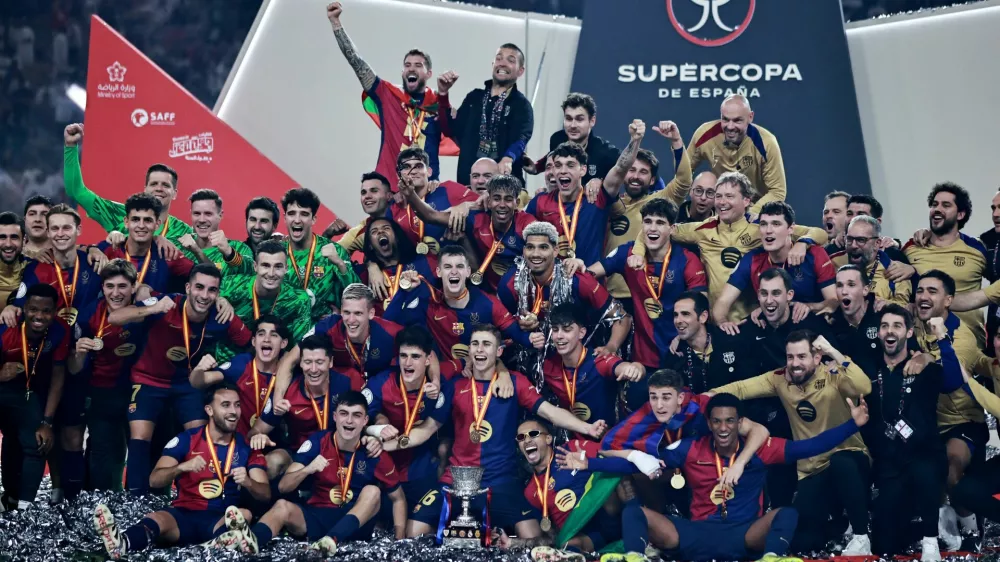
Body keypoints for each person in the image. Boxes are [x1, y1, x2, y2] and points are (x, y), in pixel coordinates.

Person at [560, 393, 870, 562]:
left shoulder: (760, 449)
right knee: (634, 512)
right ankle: (633, 557)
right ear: (709, 423)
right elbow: (640, 466)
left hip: (744, 535)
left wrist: (852, 425)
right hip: (693, 536)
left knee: (786, 514)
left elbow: (810, 446)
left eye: (730, 422)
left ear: (739, 423)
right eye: (717, 421)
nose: (723, 428)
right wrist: (587, 463)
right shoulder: (689, 448)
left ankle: (772, 559)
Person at [406, 324, 608, 540]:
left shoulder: (514, 382)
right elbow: (427, 429)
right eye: (475, 344)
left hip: (500, 481)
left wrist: (587, 427)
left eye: (486, 344)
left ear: (499, 351)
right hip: (457, 480)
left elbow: (550, 413)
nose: (480, 350)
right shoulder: (455, 386)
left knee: (531, 536)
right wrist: (387, 442)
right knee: (414, 531)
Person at [710, 332, 873, 555]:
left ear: (817, 358)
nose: (795, 364)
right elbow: (741, 389)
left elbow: (864, 387)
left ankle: (861, 535)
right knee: (802, 541)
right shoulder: (779, 379)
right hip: (812, 470)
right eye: (790, 357)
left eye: (802, 357)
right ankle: (840, 527)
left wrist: (834, 352)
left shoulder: (834, 373)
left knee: (841, 461)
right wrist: (700, 398)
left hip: (850, 458)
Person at [109, 264, 251, 495]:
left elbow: (249, 343)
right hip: (149, 379)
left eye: (212, 290)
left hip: (189, 384)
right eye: (199, 287)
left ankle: (194, 496)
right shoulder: (167, 303)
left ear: (218, 293)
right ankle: (135, 498)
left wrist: (229, 368)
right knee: (140, 436)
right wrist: (151, 310)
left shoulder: (221, 315)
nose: (204, 296)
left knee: (200, 436)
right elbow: (115, 317)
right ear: (188, 288)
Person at [92, 382, 269, 560]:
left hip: (220, 517)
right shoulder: (187, 439)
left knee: (243, 515)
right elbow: (154, 480)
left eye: (237, 405)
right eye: (225, 405)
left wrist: (248, 482)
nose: (233, 411)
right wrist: (181, 467)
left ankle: (215, 543)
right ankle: (122, 543)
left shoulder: (246, 447)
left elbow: (265, 494)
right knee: (157, 518)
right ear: (209, 410)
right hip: (183, 514)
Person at [631, 172, 827, 323]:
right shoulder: (702, 229)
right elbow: (654, 229)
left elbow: (819, 233)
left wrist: (803, 242)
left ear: (747, 201)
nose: (722, 202)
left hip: (753, 319)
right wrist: (638, 253)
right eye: (718, 196)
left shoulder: (762, 226)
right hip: (714, 318)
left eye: (729, 196)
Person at [234, 390, 405, 556]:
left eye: (357, 415)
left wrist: (399, 541)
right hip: (318, 517)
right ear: (335, 417)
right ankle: (251, 541)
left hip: (354, 526)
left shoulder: (373, 451)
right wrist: (308, 470)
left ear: (365, 420)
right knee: (282, 506)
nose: (349, 420)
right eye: (344, 413)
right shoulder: (318, 442)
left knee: (373, 491)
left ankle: (331, 540)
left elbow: (398, 499)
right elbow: (284, 486)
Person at [869, 306, 964, 560]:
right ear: (878, 333)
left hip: (925, 456)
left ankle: (931, 540)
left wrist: (934, 352)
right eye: (885, 326)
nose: (890, 331)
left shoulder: (924, 368)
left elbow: (954, 380)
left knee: (924, 470)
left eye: (897, 326)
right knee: (883, 543)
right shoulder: (871, 370)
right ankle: (933, 521)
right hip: (891, 465)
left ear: (909, 331)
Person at [327, 1, 454, 189]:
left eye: (418, 65)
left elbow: (460, 132)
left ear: (429, 74)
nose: (411, 68)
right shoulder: (388, 94)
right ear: (403, 72)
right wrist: (336, 23)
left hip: (427, 188)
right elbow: (357, 62)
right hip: (388, 188)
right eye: (407, 65)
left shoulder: (438, 104)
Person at [909, 270, 988, 548]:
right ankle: (941, 528)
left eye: (932, 291)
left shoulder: (962, 337)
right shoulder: (914, 321)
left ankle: (971, 534)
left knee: (951, 469)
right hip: (926, 422)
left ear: (948, 300)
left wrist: (929, 356)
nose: (923, 296)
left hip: (962, 421)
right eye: (920, 290)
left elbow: (950, 381)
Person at [585, 200, 707, 368]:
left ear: (672, 228)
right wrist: (611, 306)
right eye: (648, 221)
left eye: (660, 223)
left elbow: (701, 307)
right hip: (642, 360)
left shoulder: (687, 261)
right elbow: (586, 277)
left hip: (680, 353)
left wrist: (682, 336)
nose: (652, 228)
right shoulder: (627, 254)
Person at [69, 259, 147, 492]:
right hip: (101, 392)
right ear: (102, 287)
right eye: (109, 286)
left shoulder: (146, 309)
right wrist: (79, 353)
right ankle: (104, 507)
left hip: (140, 393)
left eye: (122, 286)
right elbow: (73, 368)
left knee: (141, 451)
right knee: (104, 453)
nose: (116, 293)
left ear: (134, 287)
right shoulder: (89, 315)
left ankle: (141, 505)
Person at [386, 245, 532, 365]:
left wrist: (534, 337)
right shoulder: (428, 303)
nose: (454, 272)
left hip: (480, 377)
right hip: (445, 379)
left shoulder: (488, 303)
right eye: (448, 267)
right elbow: (386, 324)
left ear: (468, 272)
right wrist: (403, 291)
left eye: (460, 266)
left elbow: (519, 335)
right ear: (438, 272)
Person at [362, 326, 448, 526]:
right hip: (384, 473)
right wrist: (378, 428)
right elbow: (356, 422)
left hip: (421, 472)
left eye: (415, 357)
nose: (408, 363)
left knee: (414, 533)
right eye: (403, 356)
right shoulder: (381, 383)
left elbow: (425, 432)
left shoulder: (441, 388)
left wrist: (382, 444)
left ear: (428, 360)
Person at [499, 222, 627, 355]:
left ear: (555, 251)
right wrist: (517, 326)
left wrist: (611, 347)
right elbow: (501, 322)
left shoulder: (577, 280)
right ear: (524, 250)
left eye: (543, 247)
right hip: (530, 357)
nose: (535, 254)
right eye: (530, 247)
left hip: (578, 358)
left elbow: (623, 317)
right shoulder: (510, 282)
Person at [190, 313, 291, 478]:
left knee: (273, 463)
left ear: (284, 343)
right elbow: (198, 382)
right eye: (261, 334)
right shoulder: (241, 365)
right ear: (253, 341)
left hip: (272, 442)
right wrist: (199, 370)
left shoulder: (288, 375)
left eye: (274, 335)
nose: (266, 339)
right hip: (238, 444)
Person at [526, 123, 641, 265]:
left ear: (583, 170)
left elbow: (621, 167)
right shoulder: (539, 202)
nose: (562, 171)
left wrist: (635, 140)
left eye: (570, 165)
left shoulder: (597, 198)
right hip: (552, 284)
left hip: (589, 282)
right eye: (558, 165)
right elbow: (525, 241)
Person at [603, 121, 693, 302]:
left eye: (643, 172)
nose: (635, 176)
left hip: (648, 294)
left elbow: (684, 181)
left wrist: (676, 140)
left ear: (652, 180)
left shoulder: (658, 201)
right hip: (611, 295)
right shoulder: (608, 201)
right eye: (631, 170)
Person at [401, 174, 536, 291]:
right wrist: (411, 195)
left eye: (508, 199)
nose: (502, 204)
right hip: (485, 288)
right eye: (496, 198)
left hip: (519, 290)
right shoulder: (476, 218)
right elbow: (432, 216)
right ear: (488, 202)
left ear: (517, 202)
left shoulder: (527, 224)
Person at [0, 284, 69, 509]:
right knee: (11, 440)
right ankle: (9, 496)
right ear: (24, 308)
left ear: (55, 311)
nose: (39, 316)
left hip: (28, 394)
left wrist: (46, 421)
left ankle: (23, 509)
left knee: (38, 443)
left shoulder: (60, 331)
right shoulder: (5, 329)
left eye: (46, 310)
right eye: (33, 309)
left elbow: (59, 377)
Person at [63, 123, 194, 242]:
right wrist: (70, 147)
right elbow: (77, 191)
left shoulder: (183, 232)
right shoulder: (119, 213)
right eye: (154, 184)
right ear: (145, 189)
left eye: (166, 185)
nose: (159, 188)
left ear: (175, 193)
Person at [713, 201, 837, 325]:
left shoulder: (815, 254)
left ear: (791, 229)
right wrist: (723, 322)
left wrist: (809, 307)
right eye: (763, 224)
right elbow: (723, 301)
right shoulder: (752, 259)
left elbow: (833, 301)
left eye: (776, 224)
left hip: (810, 326)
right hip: (773, 329)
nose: (768, 230)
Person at [274, 284, 402, 399]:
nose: (351, 320)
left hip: (378, 396)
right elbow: (290, 360)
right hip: (339, 397)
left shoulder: (391, 332)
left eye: (358, 313)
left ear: (371, 313)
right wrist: (278, 399)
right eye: (346, 312)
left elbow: (418, 353)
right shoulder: (327, 327)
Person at [901, 183, 986, 344]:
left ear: (960, 214)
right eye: (934, 204)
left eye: (946, 205)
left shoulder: (977, 249)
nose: (937, 209)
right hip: (923, 344)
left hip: (970, 343)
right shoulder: (912, 247)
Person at [540, 304, 645, 431]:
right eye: (555, 330)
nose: (559, 336)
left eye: (567, 330)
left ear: (581, 333)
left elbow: (623, 367)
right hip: (574, 440)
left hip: (608, 439)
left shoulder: (598, 360)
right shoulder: (548, 367)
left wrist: (636, 367)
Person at [443, 42, 533, 186]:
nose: (502, 63)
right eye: (499, 58)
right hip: (469, 183)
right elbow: (451, 131)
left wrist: (508, 158)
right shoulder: (474, 98)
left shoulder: (521, 105)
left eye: (510, 60)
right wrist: (443, 94)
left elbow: (521, 138)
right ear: (493, 64)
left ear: (520, 71)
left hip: (504, 189)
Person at [214, 240, 313, 362]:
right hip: (229, 363)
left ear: (286, 268)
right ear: (255, 267)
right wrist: (219, 299)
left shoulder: (298, 299)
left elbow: (297, 348)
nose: (271, 273)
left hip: (273, 367)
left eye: (278, 266)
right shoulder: (231, 286)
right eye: (265, 265)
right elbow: (201, 297)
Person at [253, 335, 354, 452]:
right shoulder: (287, 390)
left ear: (330, 362)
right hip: (296, 455)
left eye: (319, 362)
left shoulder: (346, 384)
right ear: (300, 363)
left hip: (335, 453)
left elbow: (362, 422)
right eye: (308, 362)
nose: (314, 369)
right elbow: (255, 431)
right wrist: (257, 437)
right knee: (275, 461)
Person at [687, 95, 786, 214]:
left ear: (750, 117)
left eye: (737, 120)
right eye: (725, 119)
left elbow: (777, 191)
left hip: (755, 209)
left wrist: (749, 214)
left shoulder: (766, 143)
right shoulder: (704, 135)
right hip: (721, 206)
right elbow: (683, 172)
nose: (730, 126)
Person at [280, 187, 358, 320]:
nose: (297, 220)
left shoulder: (334, 251)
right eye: (292, 213)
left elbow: (357, 294)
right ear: (285, 218)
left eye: (304, 214)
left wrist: (340, 264)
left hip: (322, 332)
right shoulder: (277, 252)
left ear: (314, 219)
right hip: (285, 330)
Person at [385, 148, 480, 255]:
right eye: (406, 167)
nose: (413, 171)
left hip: (451, 268)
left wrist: (466, 205)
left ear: (429, 171)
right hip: (414, 270)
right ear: (398, 174)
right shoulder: (394, 208)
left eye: (419, 166)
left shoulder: (448, 189)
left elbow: (485, 203)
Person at [98, 193, 196, 293]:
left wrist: (197, 250)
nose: (141, 226)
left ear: (157, 224)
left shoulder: (167, 253)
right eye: (135, 219)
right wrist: (90, 249)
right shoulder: (110, 249)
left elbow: (204, 275)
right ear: (126, 222)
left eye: (147, 220)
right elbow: (82, 255)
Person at [523, 93, 620, 191]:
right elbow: (553, 155)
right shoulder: (557, 139)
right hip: (563, 201)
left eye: (579, 119)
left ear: (592, 121)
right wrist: (536, 167)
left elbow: (625, 168)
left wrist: (601, 182)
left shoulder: (605, 152)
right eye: (568, 118)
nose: (573, 125)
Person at [664, 292, 751, 394]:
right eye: (675, 315)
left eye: (685, 314)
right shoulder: (675, 355)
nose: (678, 320)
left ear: (703, 317)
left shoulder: (732, 341)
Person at [357, 217, 438, 314]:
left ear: (397, 237)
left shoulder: (423, 263)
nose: (380, 232)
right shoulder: (365, 276)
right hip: (384, 328)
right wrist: (370, 265)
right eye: (374, 231)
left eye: (386, 228)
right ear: (370, 245)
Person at [830, 215, 912, 307]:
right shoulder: (833, 262)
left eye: (861, 240)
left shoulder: (896, 271)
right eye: (849, 239)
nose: (853, 245)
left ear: (877, 243)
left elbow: (905, 308)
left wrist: (885, 305)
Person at [176, 189, 254, 275]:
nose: (202, 220)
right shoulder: (178, 247)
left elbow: (249, 272)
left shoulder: (239, 248)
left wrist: (228, 252)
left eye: (208, 214)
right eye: (197, 213)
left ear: (220, 215)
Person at [827, 264, 885, 377]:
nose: (844, 291)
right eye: (839, 285)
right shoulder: (830, 324)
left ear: (865, 290)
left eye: (851, 285)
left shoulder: (883, 315)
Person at [336, 172, 394, 255]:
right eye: (363, 193)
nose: (367, 196)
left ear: (389, 196)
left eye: (374, 191)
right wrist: (327, 235)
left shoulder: (405, 213)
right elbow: (325, 261)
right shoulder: (359, 231)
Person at [0, 212, 28, 306]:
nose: (8, 244)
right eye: (2, 237)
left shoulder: (34, 268)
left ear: (24, 240)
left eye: (14, 237)